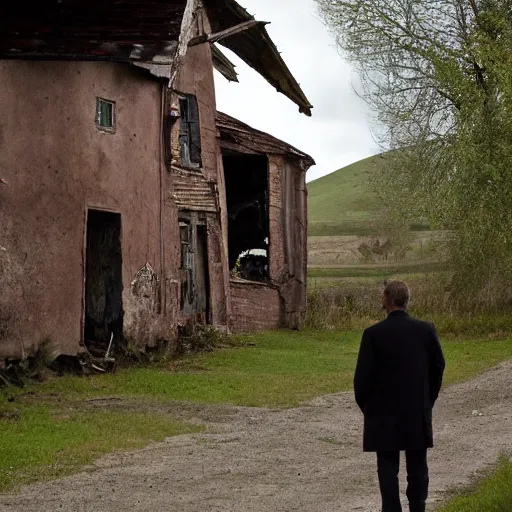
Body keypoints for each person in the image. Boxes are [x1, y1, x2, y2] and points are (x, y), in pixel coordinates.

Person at [354, 281, 445, 512]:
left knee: (387, 466)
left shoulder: (373, 335)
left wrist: (369, 408)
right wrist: (427, 399)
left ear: (387, 300)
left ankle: (391, 508)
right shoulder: (425, 331)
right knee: (417, 467)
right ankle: (418, 507)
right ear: (407, 300)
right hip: (415, 408)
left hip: (383, 412)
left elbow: (362, 379)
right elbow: (438, 366)